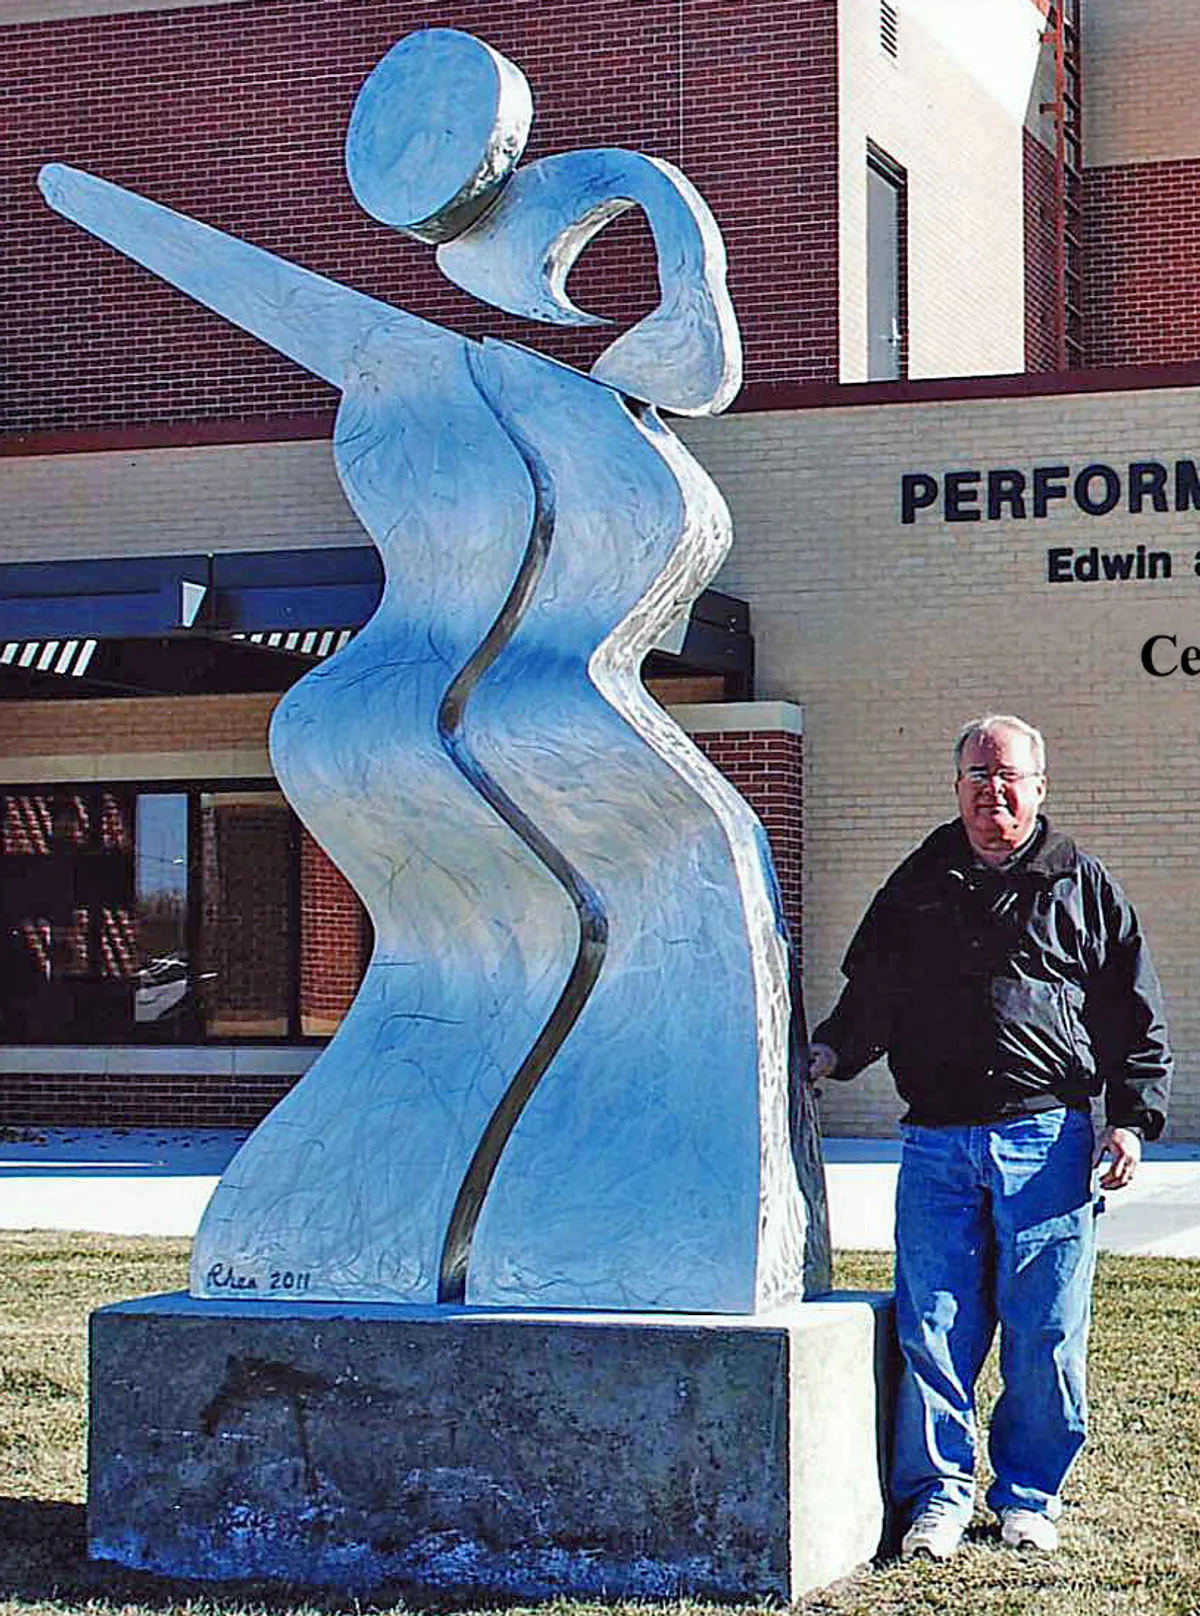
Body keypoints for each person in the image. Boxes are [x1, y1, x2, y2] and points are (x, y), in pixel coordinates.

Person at [808, 714, 1171, 1560]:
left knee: (1044, 1329)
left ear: (1039, 787)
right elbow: (872, 994)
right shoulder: (918, 882)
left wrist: (1130, 1118)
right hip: (936, 1144)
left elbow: (1132, 1013)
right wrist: (831, 1051)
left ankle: (1028, 1496)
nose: (993, 792)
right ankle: (937, 1497)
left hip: (1047, 1142)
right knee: (933, 1326)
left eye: (1009, 777)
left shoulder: (1082, 884)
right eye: (978, 776)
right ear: (957, 787)